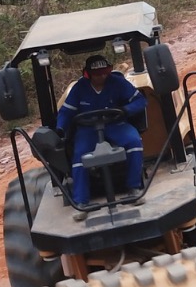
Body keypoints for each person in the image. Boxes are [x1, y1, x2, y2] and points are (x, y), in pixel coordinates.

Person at [56, 55, 147, 209]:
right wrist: (60, 129)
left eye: (105, 73)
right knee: (79, 153)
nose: (102, 77)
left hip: (116, 124)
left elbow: (141, 101)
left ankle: (134, 188)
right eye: (97, 74)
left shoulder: (118, 83)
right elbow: (66, 112)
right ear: (88, 74)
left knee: (134, 141)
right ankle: (81, 201)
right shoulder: (79, 88)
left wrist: (126, 110)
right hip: (88, 129)